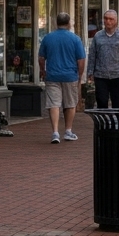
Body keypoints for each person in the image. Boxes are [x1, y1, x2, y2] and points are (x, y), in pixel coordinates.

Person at [38, 13, 86, 144]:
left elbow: (41, 57)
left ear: (56, 23)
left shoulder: (48, 38)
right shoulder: (75, 39)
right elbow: (81, 60)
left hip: (52, 75)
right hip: (70, 76)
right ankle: (68, 131)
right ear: (69, 23)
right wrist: (79, 75)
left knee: (54, 104)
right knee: (70, 104)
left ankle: (55, 132)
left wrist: (43, 71)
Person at [87, 10, 119, 109]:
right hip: (101, 75)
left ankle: (115, 123)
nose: (108, 21)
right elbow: (92, 55)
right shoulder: (98, 36)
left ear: (116, 21)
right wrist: (90, 72)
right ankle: (103, 123)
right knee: (101, 100)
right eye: (106, 19)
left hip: (118, 74)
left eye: (111, 19)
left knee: (117, 103)